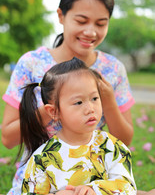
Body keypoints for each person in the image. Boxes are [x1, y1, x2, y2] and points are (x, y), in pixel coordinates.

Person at [2, 0, 136, 194]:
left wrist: (107, 100)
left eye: (101, 23)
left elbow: (123, 142)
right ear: (61, 16)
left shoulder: (112, 69)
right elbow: (7, 139)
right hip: (39, 182)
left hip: (93, 183)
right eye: (81, 21)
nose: (91, 31)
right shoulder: (32, 63)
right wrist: (55, 108)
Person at [19, 57, 137, 195]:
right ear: (54, 111)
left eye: (94, 98)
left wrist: (94, 189)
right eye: (79, 102)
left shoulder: (111, 147)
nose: (90, 108)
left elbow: (128, 187)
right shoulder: (42, 159)